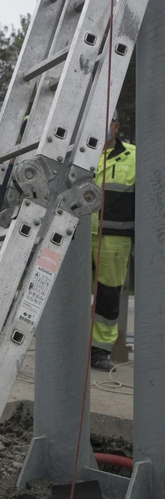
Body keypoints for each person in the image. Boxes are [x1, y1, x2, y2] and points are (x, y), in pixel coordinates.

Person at [90, 112, 135, 371]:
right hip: (78, 237)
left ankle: (99, 351)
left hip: (115, 241)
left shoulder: (134, 156)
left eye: (105, 122)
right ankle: (67, 343)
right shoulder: (83, 155)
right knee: (65, 292)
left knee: (107, 296)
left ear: (116, 126)